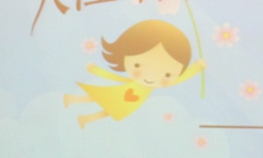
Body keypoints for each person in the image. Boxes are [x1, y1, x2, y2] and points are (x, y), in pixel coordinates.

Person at [64, 19, 206, 129]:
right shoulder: (133, 82)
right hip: (123, 92)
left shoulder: (157, 85)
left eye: (167, 75)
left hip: (133, 102)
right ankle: (72, 99)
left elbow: (181, 78)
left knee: (108, 110)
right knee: (98, 97)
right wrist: (96, 70)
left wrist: (196, 68)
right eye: (137, 65)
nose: (150, 77)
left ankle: (84, 118)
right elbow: (115, 77)